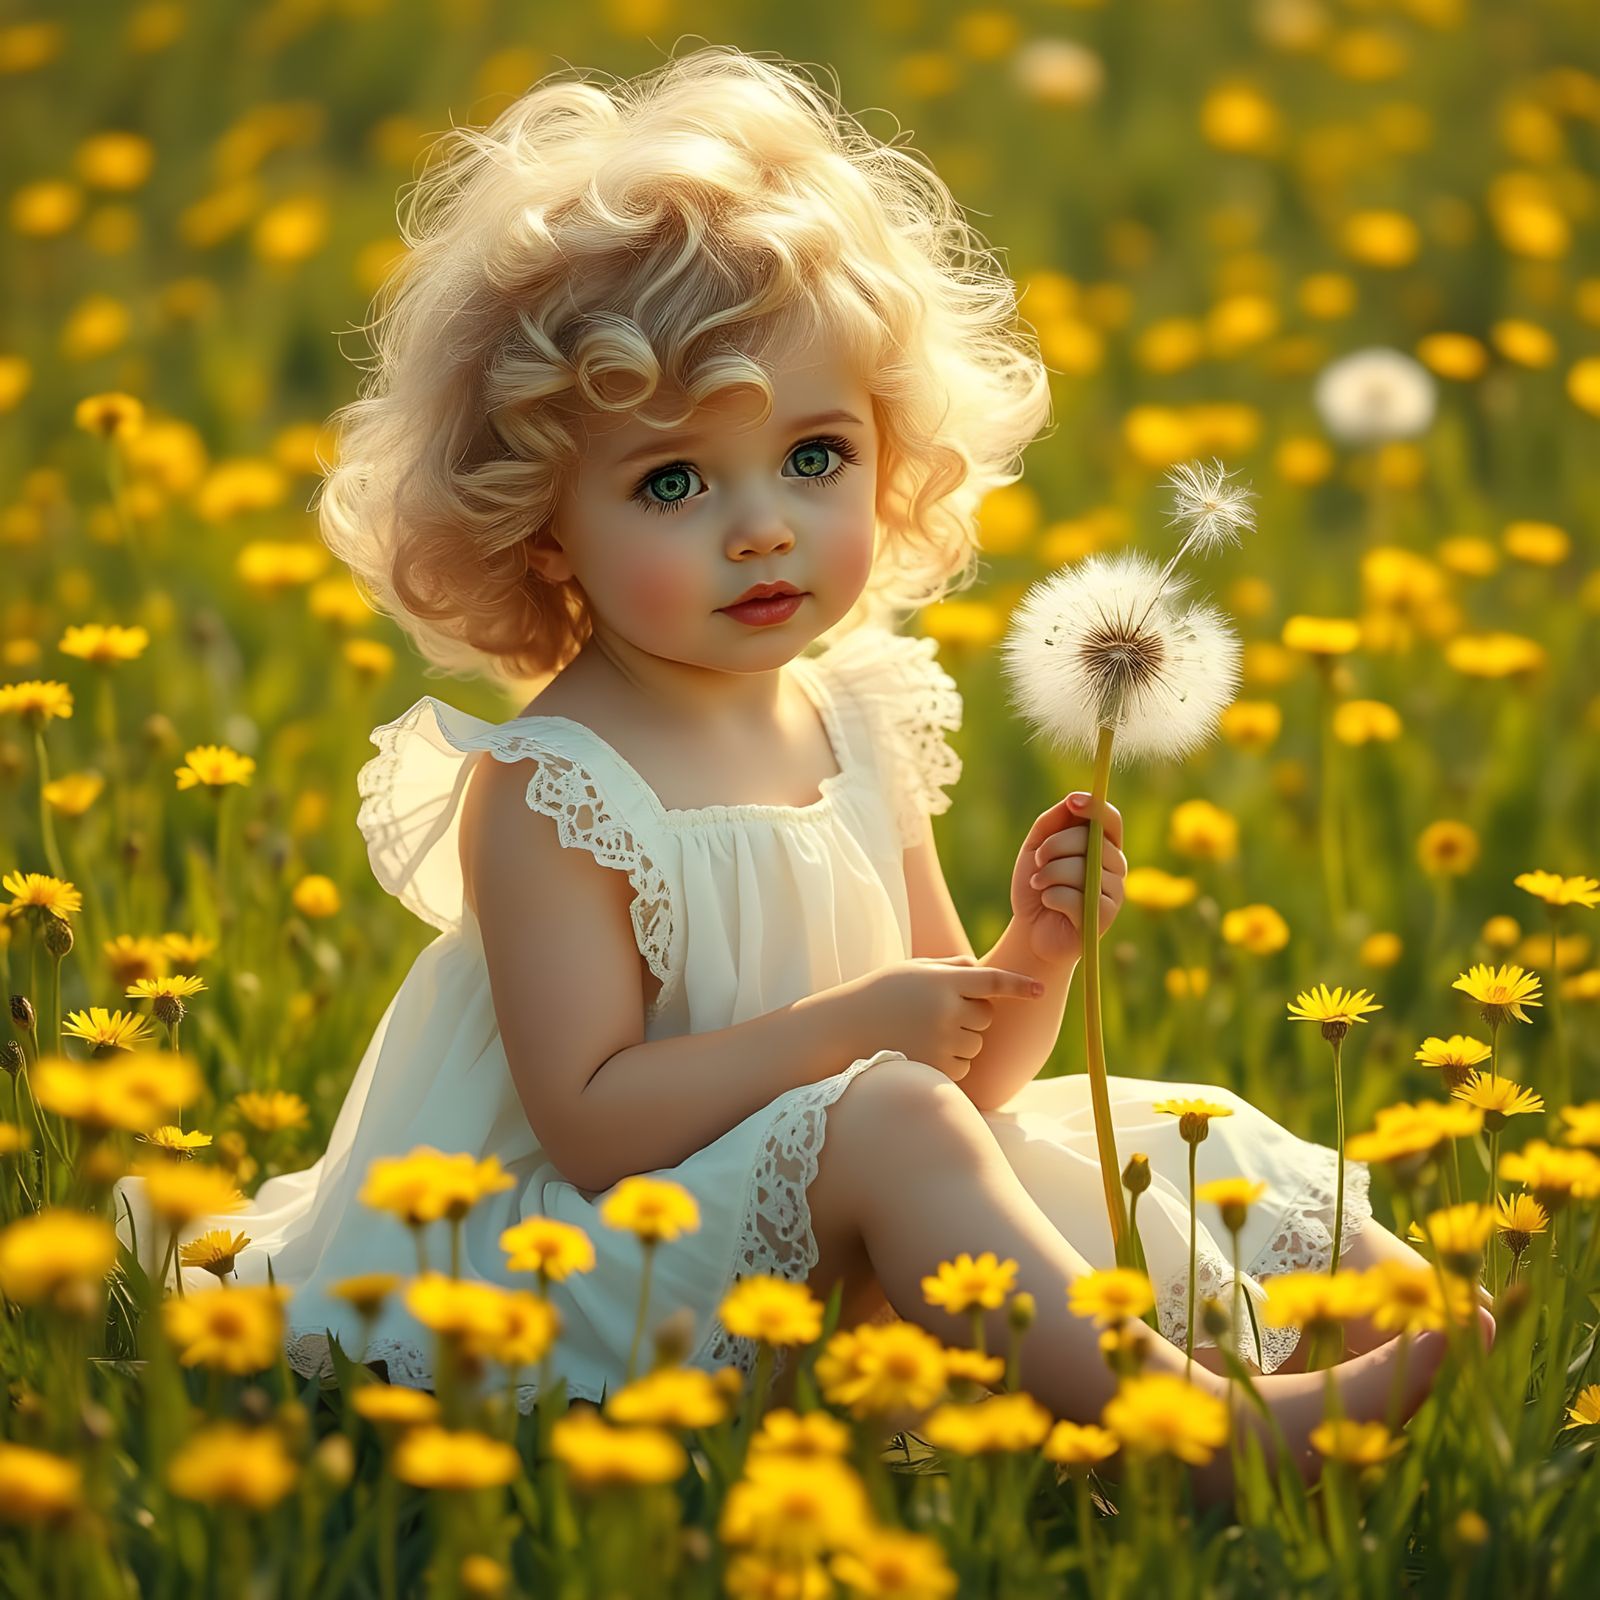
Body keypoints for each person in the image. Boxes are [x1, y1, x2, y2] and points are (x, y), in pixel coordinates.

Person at [114, 46, 1484, 1498]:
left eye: (815, 456)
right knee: (892, 1120)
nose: (761, 528)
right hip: (583, 1258)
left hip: (834, 1216)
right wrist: (859, 1029)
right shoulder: (556, 784)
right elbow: (590, 1126)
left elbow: (974, 1077)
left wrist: (1036, 952)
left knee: (1183, 1122)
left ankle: (1418, 1326)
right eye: (673, 483)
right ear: (540, 526)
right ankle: (1209, 1444)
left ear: (891, 450)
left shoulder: (856, 716)